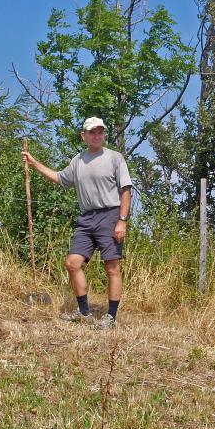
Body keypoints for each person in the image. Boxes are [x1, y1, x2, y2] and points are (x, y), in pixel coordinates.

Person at [22, 117, 132, 329]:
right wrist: (34, 163)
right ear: (84, 136)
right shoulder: (78, 161)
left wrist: (122, 221)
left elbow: (126, 190)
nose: (96, 136)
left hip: (110, 215)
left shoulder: (114, 158)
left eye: (100, 132)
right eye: (92, 132)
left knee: (112, 267)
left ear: (104, 134)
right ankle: (84, 312)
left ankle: (111, 318)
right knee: (72, 263)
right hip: (86, 218)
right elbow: (59, 178)